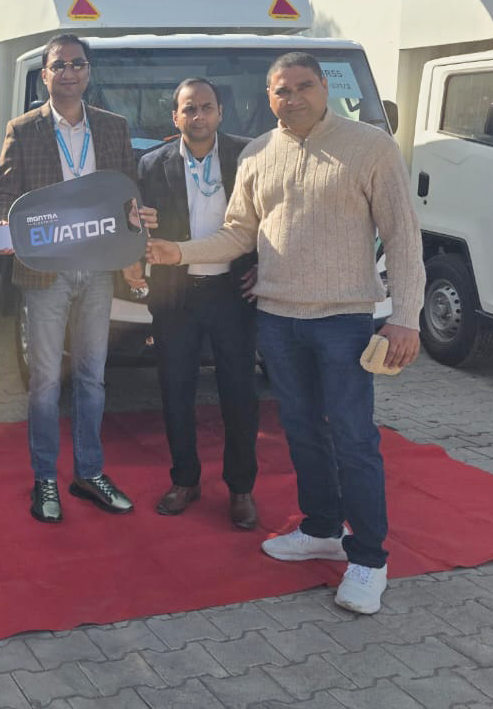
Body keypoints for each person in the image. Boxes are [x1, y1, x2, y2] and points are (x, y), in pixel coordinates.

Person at [146, 52, 424, 616]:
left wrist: (407, 316)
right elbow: (236, 234)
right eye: (281, 90)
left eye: (303, 86)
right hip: (276, 319)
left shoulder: (370, 146)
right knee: (301, 431)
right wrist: (178, 252)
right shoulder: (257, 153)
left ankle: (368, 558)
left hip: (343, 320)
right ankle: (321, 527)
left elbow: (402, 234)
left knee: (353, 438)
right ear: (267, 97)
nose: (292, 98)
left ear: (324, 88)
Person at [0, 33, 152, 525]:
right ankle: (44, 477)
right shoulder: (23, 129)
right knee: (44, 382)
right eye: (59, 65)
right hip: (46, 270)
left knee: (91, 377)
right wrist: (5, 227)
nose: (68, 72)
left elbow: (127, 194)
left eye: (77, 64)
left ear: (88, 72)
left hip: (99, 269)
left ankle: (89, 472)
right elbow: (5, 195)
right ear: (45, 74)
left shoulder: (113, 127)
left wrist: (136, 231)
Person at [137, 78, 260, 530]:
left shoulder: (248, 156)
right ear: (175, 117)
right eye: (189, 109)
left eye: (206, 107)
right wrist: (137, 225)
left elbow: (271, 219)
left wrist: (263, 267)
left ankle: (241, 489)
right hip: (175, 295)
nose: (198, 116)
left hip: (233, 292)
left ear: (220, 111)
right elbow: (136, 225)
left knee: (239, 394)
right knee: (176, 391)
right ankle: (185, 480)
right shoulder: (151, 164)